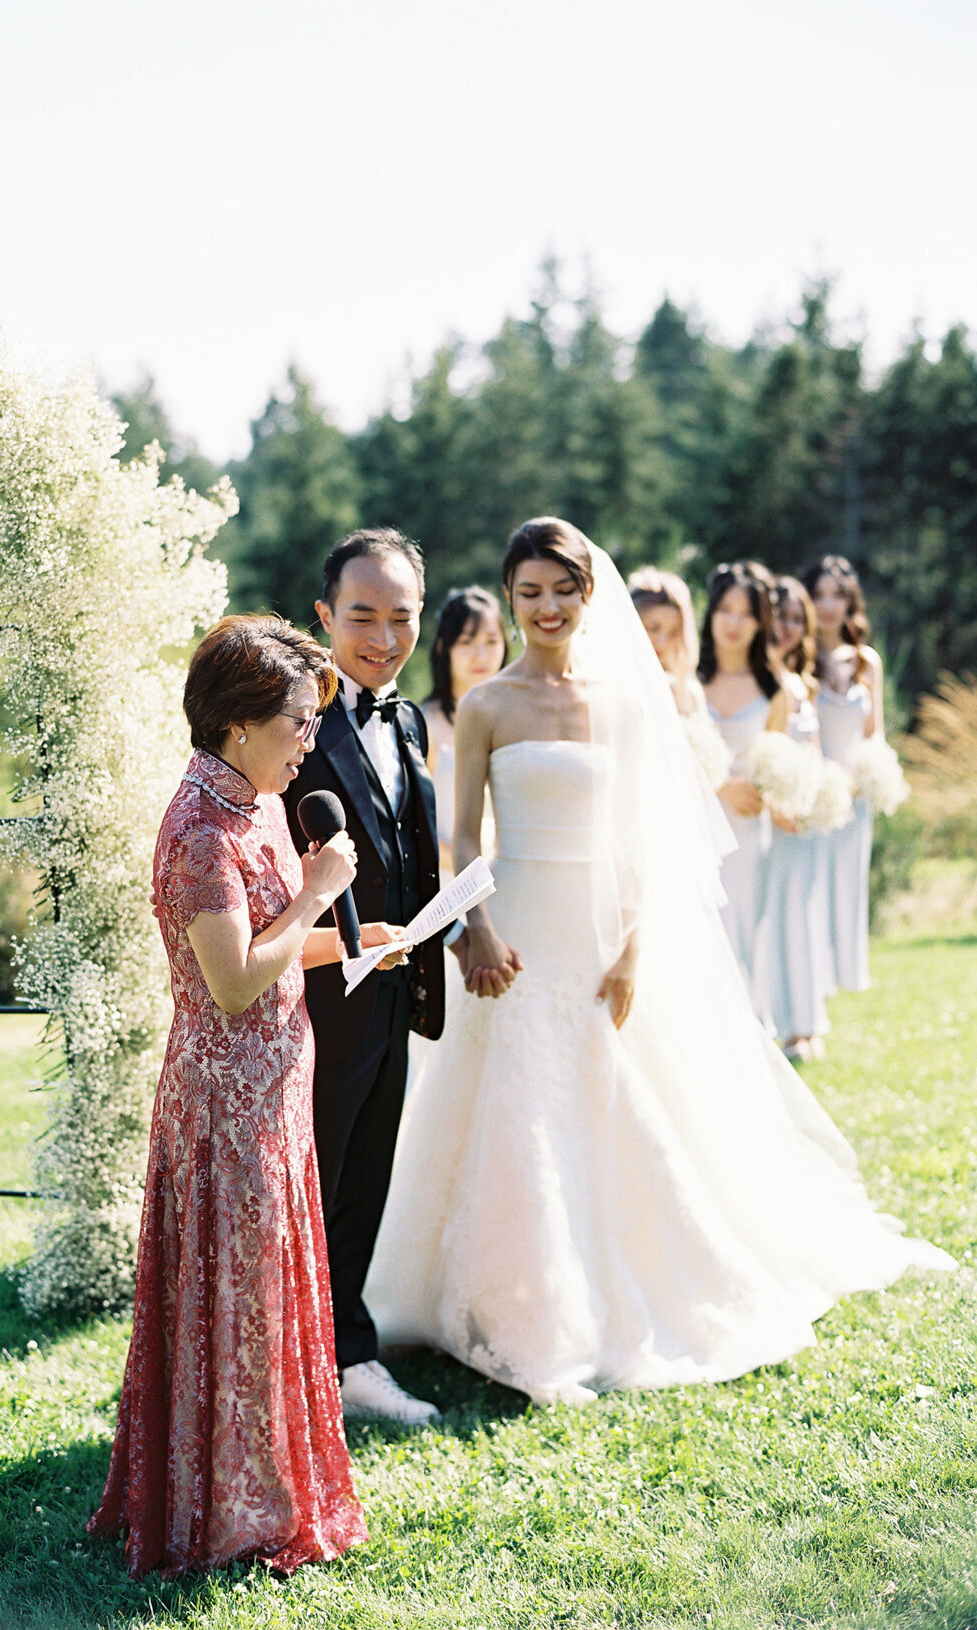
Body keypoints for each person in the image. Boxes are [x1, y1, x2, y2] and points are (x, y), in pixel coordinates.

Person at [366, 517, 951, 1406]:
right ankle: (509, 1299)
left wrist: (635, 946)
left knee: (614, 1103)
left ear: (588, 595)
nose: (547, 608)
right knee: (506, 1101)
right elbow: (463, 833)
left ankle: (613, 1287)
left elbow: (643, 838)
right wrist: (472, 928)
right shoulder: (487, 705)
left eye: (563, 590)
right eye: (529, 593)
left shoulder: (624, 704)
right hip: (514, 929)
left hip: (601, 934)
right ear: (512, 597)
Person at [89, 614, 392, 1576]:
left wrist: (354, 936)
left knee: (269, 1298)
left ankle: (269, 1487)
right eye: (297, 723)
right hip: (224, 1107)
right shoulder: (197, 830)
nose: (310, 742)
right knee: (236, 1302)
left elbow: (273, 955)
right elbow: (229, 983)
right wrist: (316, 894)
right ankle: (226, 1508)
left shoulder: (257, 803)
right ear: (236, 724)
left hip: (275, 1089)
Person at [280, 530, 517, 1427]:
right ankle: (297, 1366)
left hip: (394, 996)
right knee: (310, 1187)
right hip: (311, 1001)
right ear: (323, 617)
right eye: (362, 617)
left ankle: (348, 1360)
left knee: (364, 1184)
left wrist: (459, 928)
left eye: (402, 617)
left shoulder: (410, 717)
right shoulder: (290, 719)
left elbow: (414, 853)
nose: (383, 637)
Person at [699, 562, 789, 1000]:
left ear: (761, 623)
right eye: (725, 610)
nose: (734, 623)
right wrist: (718, 788)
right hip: (696, 828)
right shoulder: (688, 682)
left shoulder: (773, 690)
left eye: (746, 614)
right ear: (710, 613)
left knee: (746, 934)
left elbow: (779, 765)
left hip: (749, 834)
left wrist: (778, 800)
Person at [802, 556, 883, 993]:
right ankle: (809, 980)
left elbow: (876, 733)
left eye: (838, 595)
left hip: (855, 797)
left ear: (851, 602)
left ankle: (845, 975)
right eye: (819, 594)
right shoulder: (799, 657)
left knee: (847, 888)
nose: (828, 605)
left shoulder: (866, 662)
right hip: (812, 795)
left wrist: (867, 778)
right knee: (810, 889)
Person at [763, 577, 834, 1060]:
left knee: (802, 919)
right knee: (774, 919)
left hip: (805, 819)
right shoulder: (762, 682)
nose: (786, 627)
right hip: (771, 820)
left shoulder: (803, 682)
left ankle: (804, 1023)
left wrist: (820, 795)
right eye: (778, 617)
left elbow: (813, 748)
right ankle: (780, 1025)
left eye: (795, 618)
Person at [420, 585, 507, 876]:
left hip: (511, 879)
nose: (481, 655)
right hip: (448, 885)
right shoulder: (424, 725)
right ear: (444, 647)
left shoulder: (514, 720)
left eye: (492, 641)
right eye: (468, 641)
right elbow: (415, 826)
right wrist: (473, 871)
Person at [627, 566, 706, 717]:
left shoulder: (687, 693)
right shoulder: (608, 686)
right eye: (653, 628)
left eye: (673, 632)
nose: (662, 642)